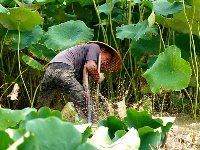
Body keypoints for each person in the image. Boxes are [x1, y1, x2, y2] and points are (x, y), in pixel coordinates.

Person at [36, 41, 122, 122]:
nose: (105, 62)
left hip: (50, 70)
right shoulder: (95, 47)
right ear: (102, 50)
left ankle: (33, 125)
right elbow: (91, 65)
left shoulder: (82, 58)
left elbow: (77, 87)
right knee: (86, 102)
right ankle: (93, 125)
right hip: (63, 68)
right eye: (106, 59)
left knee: (42, 106)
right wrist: (97, 76)